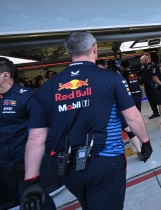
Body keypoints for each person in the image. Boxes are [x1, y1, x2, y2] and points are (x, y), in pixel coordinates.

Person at [21, 31, 152, 210]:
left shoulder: (46, 88)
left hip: (68, 169)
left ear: (68, 52)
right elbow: (132, 116)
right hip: (106, 161)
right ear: (95, 49)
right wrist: (145, 142)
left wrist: (31, 179)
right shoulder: (111, 78)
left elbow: (36, 137)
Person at [0, 57, 57, 209]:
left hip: (26, 162)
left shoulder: (27, 97)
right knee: (20, 202)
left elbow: (49, 131)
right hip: (5, 165)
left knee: (37, 201)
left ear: (6, 76)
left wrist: (27, 162)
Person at [119, 59, 143, 154]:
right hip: (138, 95)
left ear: (122, 67)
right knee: (138, 115)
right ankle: (140, 133)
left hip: (130, 97)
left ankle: (134, 134)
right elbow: (140, 84)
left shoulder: (122, 76)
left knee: (130, 118)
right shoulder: (136, 73)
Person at [139, 55, 160, 119]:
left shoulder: (153, 65)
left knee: (156, 98)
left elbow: (155, 75)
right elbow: (142, 77)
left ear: (145, 59)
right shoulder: (142, 67)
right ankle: (155, 112)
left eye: (141, 60)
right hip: (146, 85)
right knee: (150, 100)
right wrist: (140, 83)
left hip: (152, 85)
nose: (141, 62)